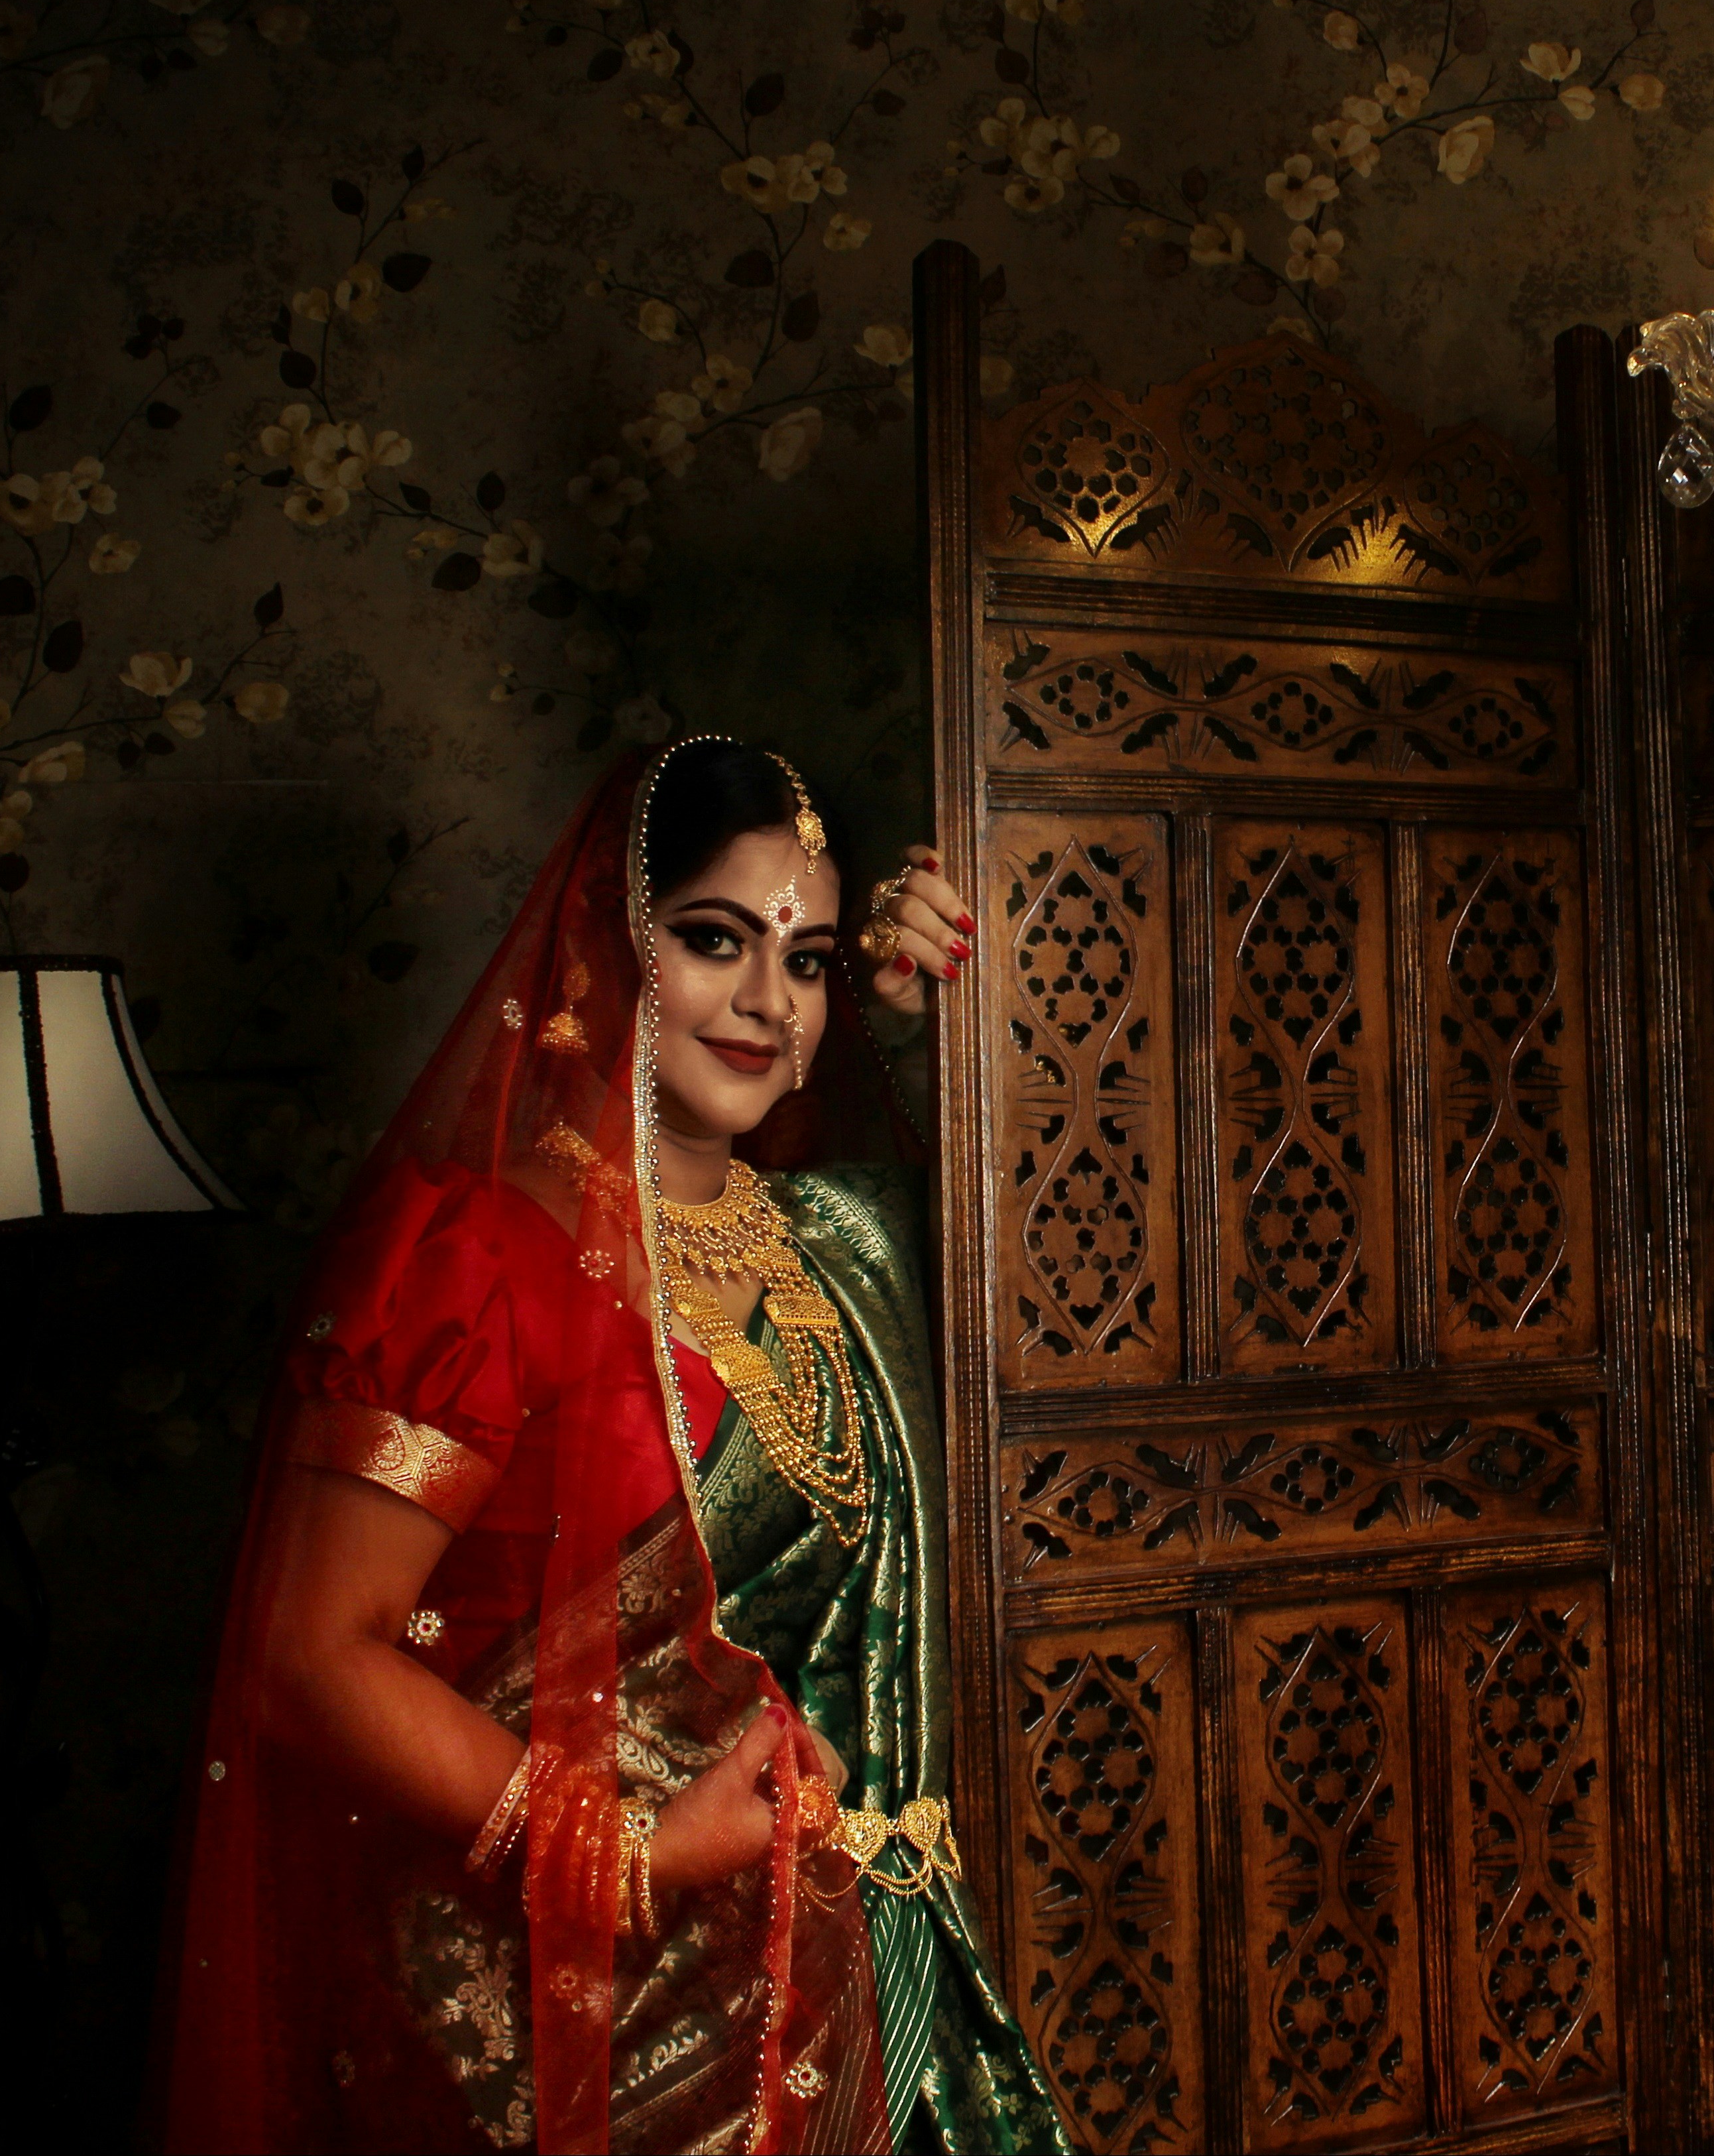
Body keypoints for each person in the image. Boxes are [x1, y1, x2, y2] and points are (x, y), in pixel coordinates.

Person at [157, 737, 1070, 2155]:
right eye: (716, 940)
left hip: (864, 1980)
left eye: (810, 958)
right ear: (601, 946)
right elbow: (302, 1654)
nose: (770, 1001)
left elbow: (1053, 1285)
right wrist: (629, 1854)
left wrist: (917, 1027)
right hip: (587, 2017)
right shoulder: (478, 1261)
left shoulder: (845, 1244)